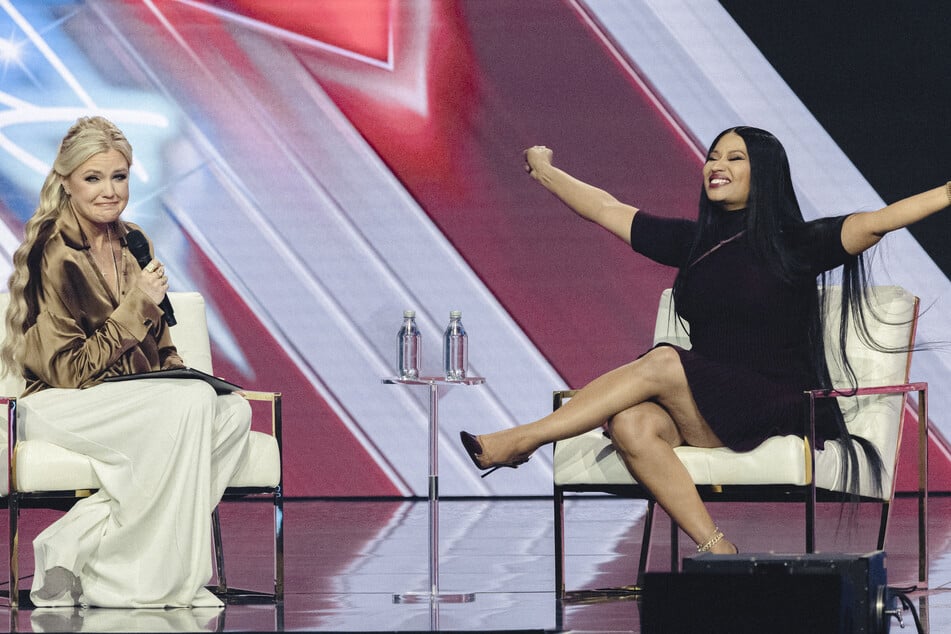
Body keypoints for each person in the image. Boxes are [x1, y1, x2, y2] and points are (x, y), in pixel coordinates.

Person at [461, 126, 951, 555]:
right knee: (631, 423)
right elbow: (605, 208)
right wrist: (545, 169)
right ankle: (718, 547)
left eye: (734, 158)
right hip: (707, 402)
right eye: (713, 156)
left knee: (664, 360)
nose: (717, 165)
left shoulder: (797, 242)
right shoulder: (693, 242)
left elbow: (879, 221)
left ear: (765, 174)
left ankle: (524, 439)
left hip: (775, 400)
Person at [0, 116, 252, 607]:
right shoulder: (54, 253)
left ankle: (74, 546)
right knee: (189, 407)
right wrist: (137, 304)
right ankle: (139, 583)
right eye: (93, 178)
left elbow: (160, 346)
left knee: (232, 412)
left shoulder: (134, 242)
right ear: (67, 182)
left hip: (130, 401)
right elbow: (69, 372)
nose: (109, 191)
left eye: (119, 176)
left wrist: (181, 373)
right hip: (59, 404)